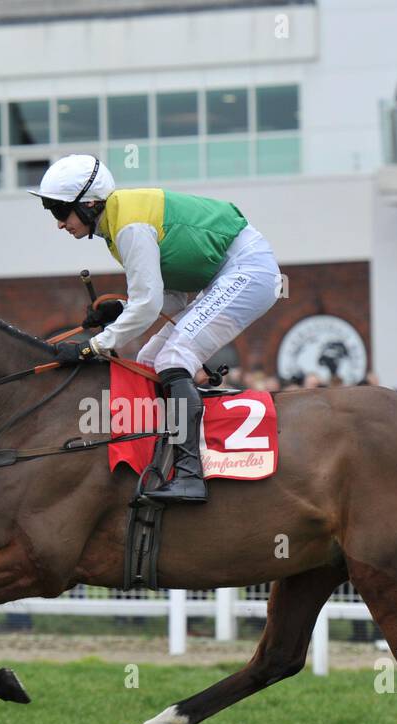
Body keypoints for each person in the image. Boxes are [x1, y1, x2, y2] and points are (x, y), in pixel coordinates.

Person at [32, 153, 281, 504]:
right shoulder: (117, 224)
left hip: (249, 271)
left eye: (60, 211)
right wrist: (119, 311)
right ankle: (161, 459)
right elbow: (171, 298)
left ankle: (192, 475)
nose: (59, 224)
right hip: (225, 276)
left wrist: (94, 346)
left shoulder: (129, 227)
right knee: (149, 359)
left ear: (89, 204)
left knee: (175, 356)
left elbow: (149, 305)